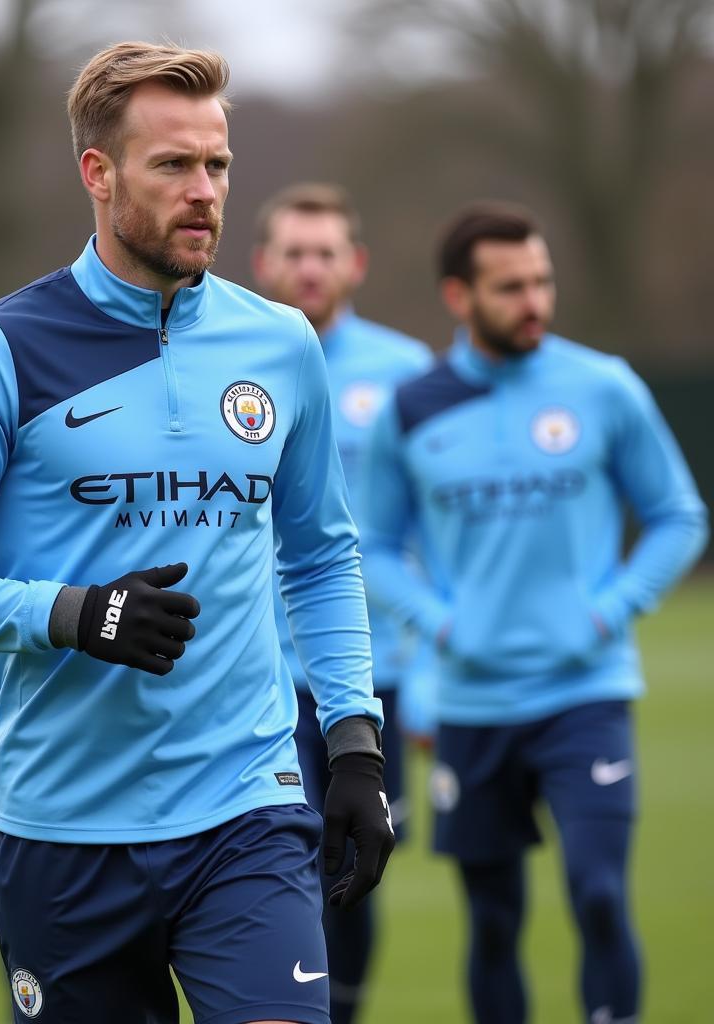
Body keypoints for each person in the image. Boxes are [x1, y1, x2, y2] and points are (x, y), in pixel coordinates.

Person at [0, 42, 395, 1024]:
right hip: (60, 829)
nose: (205, 191)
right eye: (173, 166)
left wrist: (355, 742)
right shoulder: (1, 350)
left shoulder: (280, 345)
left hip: (245, 805)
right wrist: (74, 614)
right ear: (98, 174)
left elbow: (322, 553)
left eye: (218, 165)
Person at [361, 201, 709, 1024]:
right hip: (474, 706)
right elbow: (371, 544)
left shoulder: (603, 386)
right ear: (458, 295)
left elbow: (678, 515)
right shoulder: (413, 408)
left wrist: (610, 610)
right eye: (511, 287)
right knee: (492, 922)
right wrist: (441, 624)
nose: (535, 302)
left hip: (585, 694)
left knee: (597, 893)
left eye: (543, 281)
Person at [252, 182, 432, 1023]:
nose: (310, 267)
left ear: (355, 263)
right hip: (257, 679)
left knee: (360, 862)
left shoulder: (406, 377)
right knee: (275, 870)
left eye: (326, 252)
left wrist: (429, 677)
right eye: (293, 251)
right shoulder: (233, 358)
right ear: (263, 262)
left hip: (373, 676)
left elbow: (436, 538)